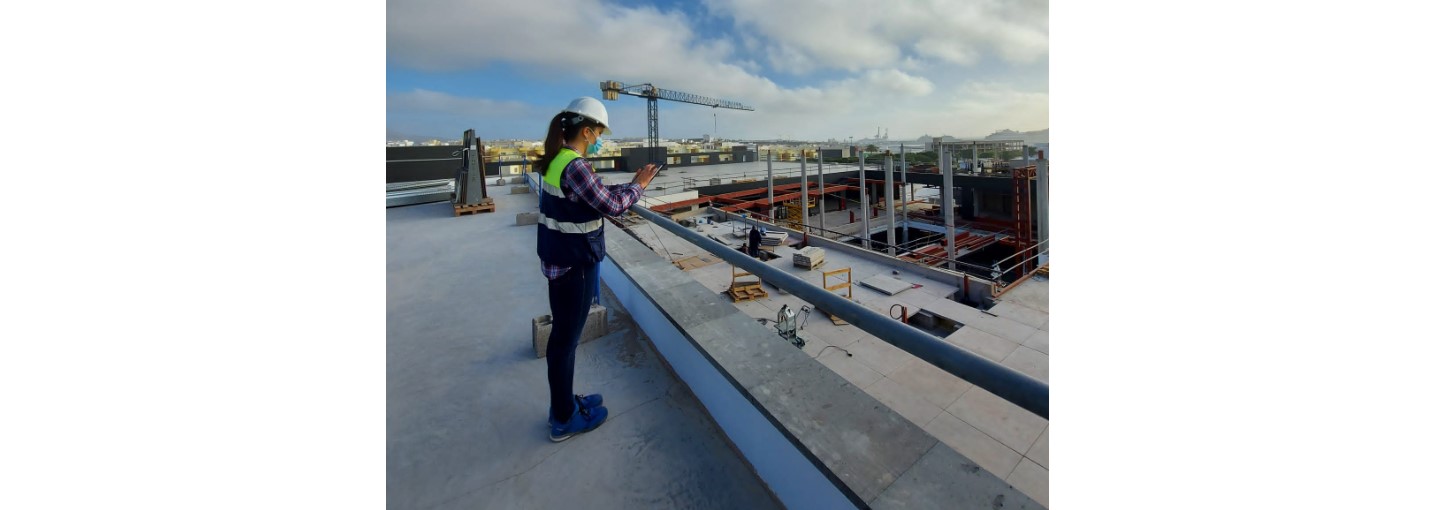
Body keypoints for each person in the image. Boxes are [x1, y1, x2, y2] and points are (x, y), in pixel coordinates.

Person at [534, 97, 659, 442]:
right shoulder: (576, 166)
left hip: (559, 259)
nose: (601, 138)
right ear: (587, 131)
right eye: (600, 132)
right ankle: (563, 418)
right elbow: (613, 206)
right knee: (565, 344)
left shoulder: (557, 161)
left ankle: (562, 404)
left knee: (562, 340)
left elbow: (591, 196)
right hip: (575, 264)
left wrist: (627, 184)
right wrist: (640, 186)